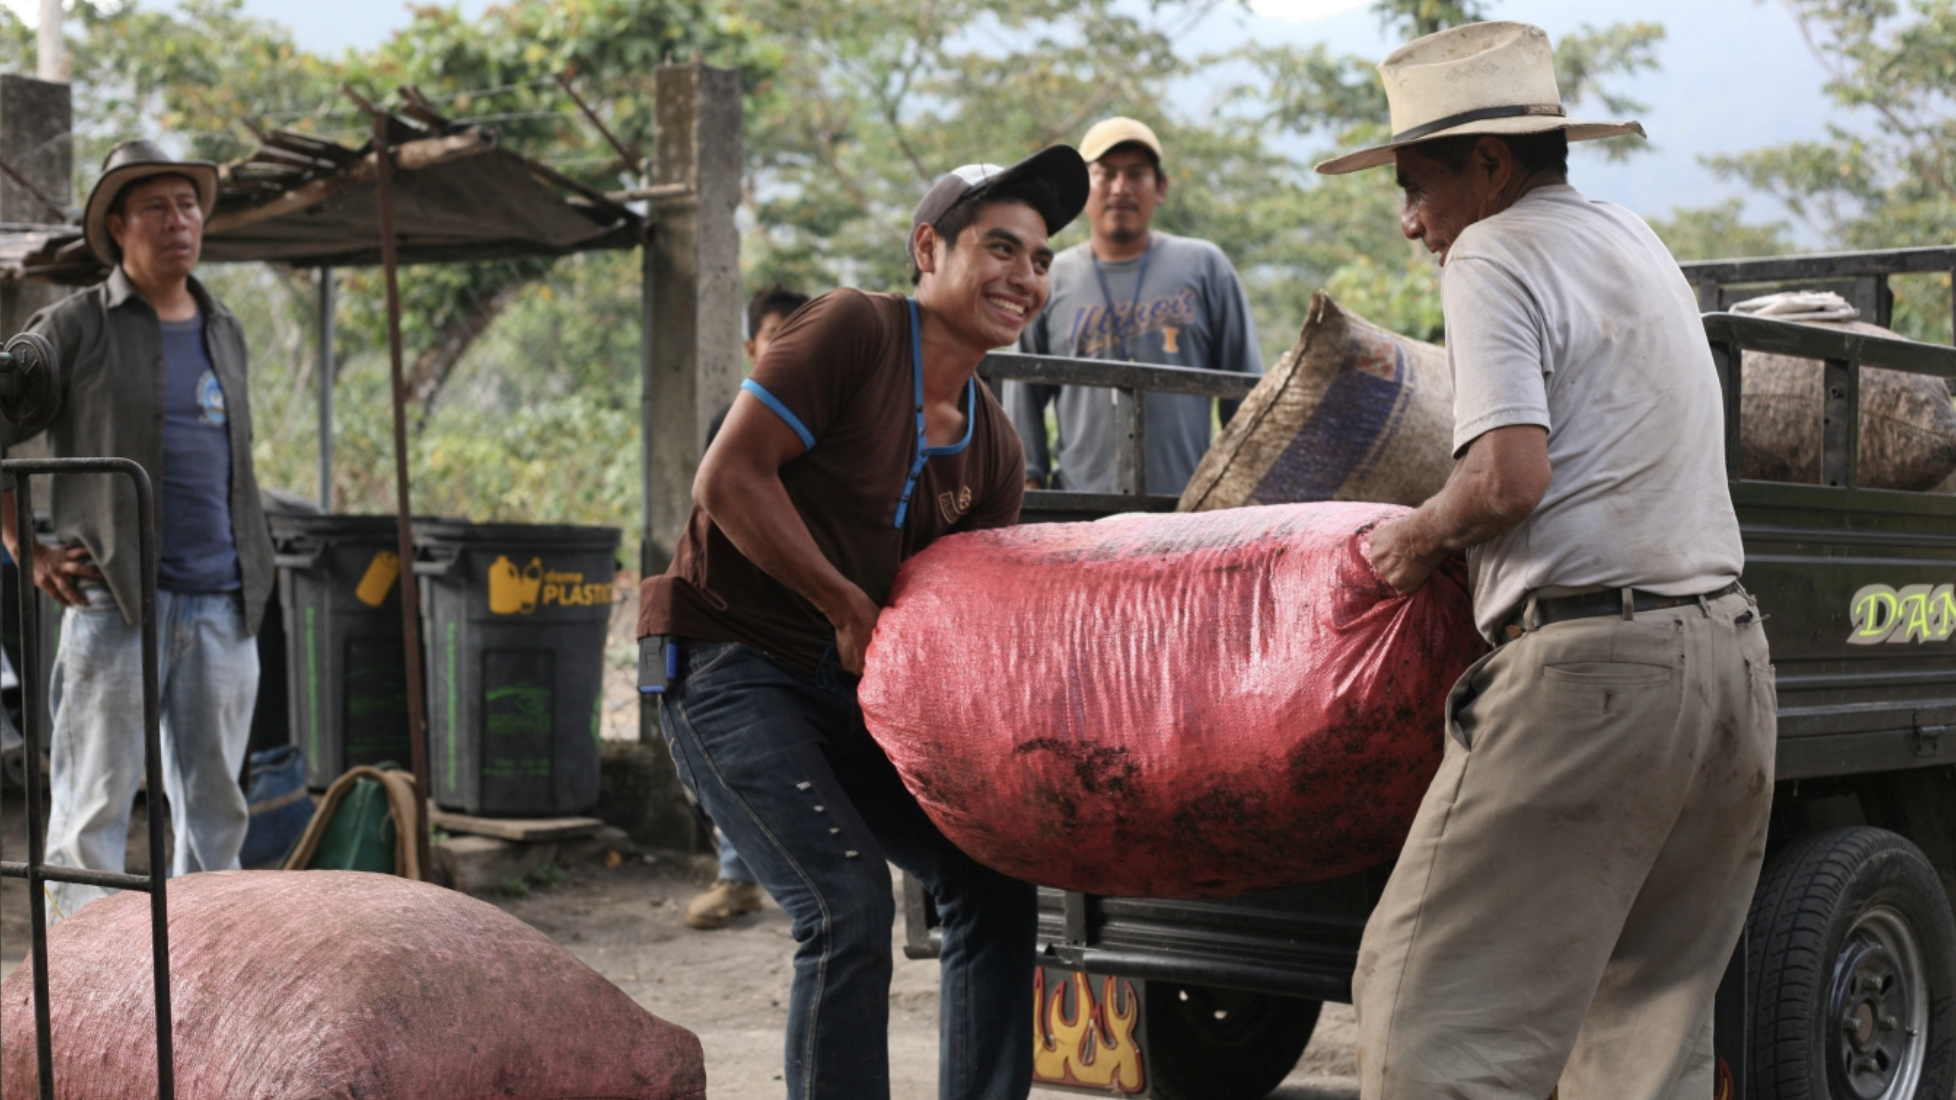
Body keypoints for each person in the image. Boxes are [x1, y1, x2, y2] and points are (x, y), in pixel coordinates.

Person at [1316, 22, 1777, 1100]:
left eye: (1418, 183)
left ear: (1490, 162)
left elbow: (1510, 478)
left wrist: (1416, 535)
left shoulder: (1494, 249)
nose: (1410, 219)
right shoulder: (1632, 234)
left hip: (1596, 676)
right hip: (1728, 664)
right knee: (1640, 1034)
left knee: (1424, 1010)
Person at [640, 146, 1087, 1100]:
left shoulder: (996, 448)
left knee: (991, 882)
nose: (1024, 275)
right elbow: (726, 479)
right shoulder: (853, 331)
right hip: (728, 665)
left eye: (1041, 259)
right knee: (844, 908)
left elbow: (955, 608)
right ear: (928, 248)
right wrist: (845, 602)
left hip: (853, 694)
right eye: (998, 247)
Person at [0, 141, 275, 919]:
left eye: (188, 205)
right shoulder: (74, 326)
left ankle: (195, 996)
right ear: (117, 227)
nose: (177, 221)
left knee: (215, 823)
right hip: (115, 600)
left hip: (225, 603)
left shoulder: (225, 327)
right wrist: (27, 549)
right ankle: (84, 1007)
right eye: (155, 207)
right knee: (93, 816)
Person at [1003, 116, 1262, 495]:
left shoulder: (1205, 267)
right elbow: (1020, 401)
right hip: (1079, 517)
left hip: (1188, 515)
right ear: (1083, 190)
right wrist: (1031, 495)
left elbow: (1246, 399)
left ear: (1160, 188)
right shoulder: (1048, 276)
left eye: (1136, 174)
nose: (1120, 188)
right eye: (1105, 174)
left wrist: (1240, 499)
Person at [685, 282, 811, 932]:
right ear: (749, 348)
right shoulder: (736, 419)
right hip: (746, 613)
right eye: (774, 341)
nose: (788, 353)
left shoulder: (831, 416)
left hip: (808, 609)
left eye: (800, 340)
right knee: (739, 752)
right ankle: (738, 878)